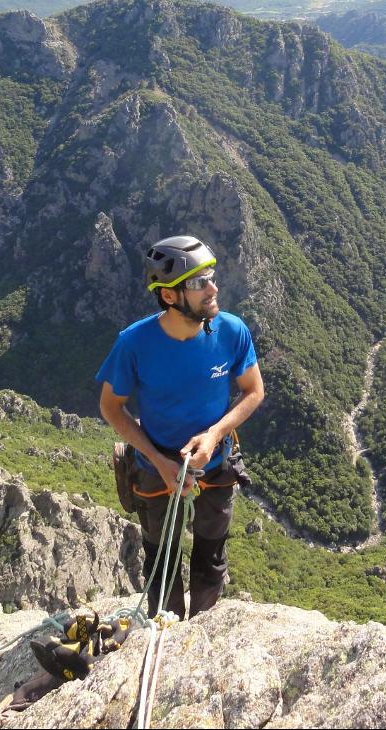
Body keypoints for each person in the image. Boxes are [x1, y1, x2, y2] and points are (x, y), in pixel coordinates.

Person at [96, 234, 264, 619]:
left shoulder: (232, 331)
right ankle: (168, 633)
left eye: (211, 276)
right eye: (198, 282)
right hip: (158, 464)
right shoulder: (135, 343)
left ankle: (201, 626)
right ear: (170, 296)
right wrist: (158, 461)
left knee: (211, 554)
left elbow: (254, 391)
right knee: (163, 562)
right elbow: (111, 408)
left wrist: (215, 433)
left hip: (215, 458)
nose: (213, 288)